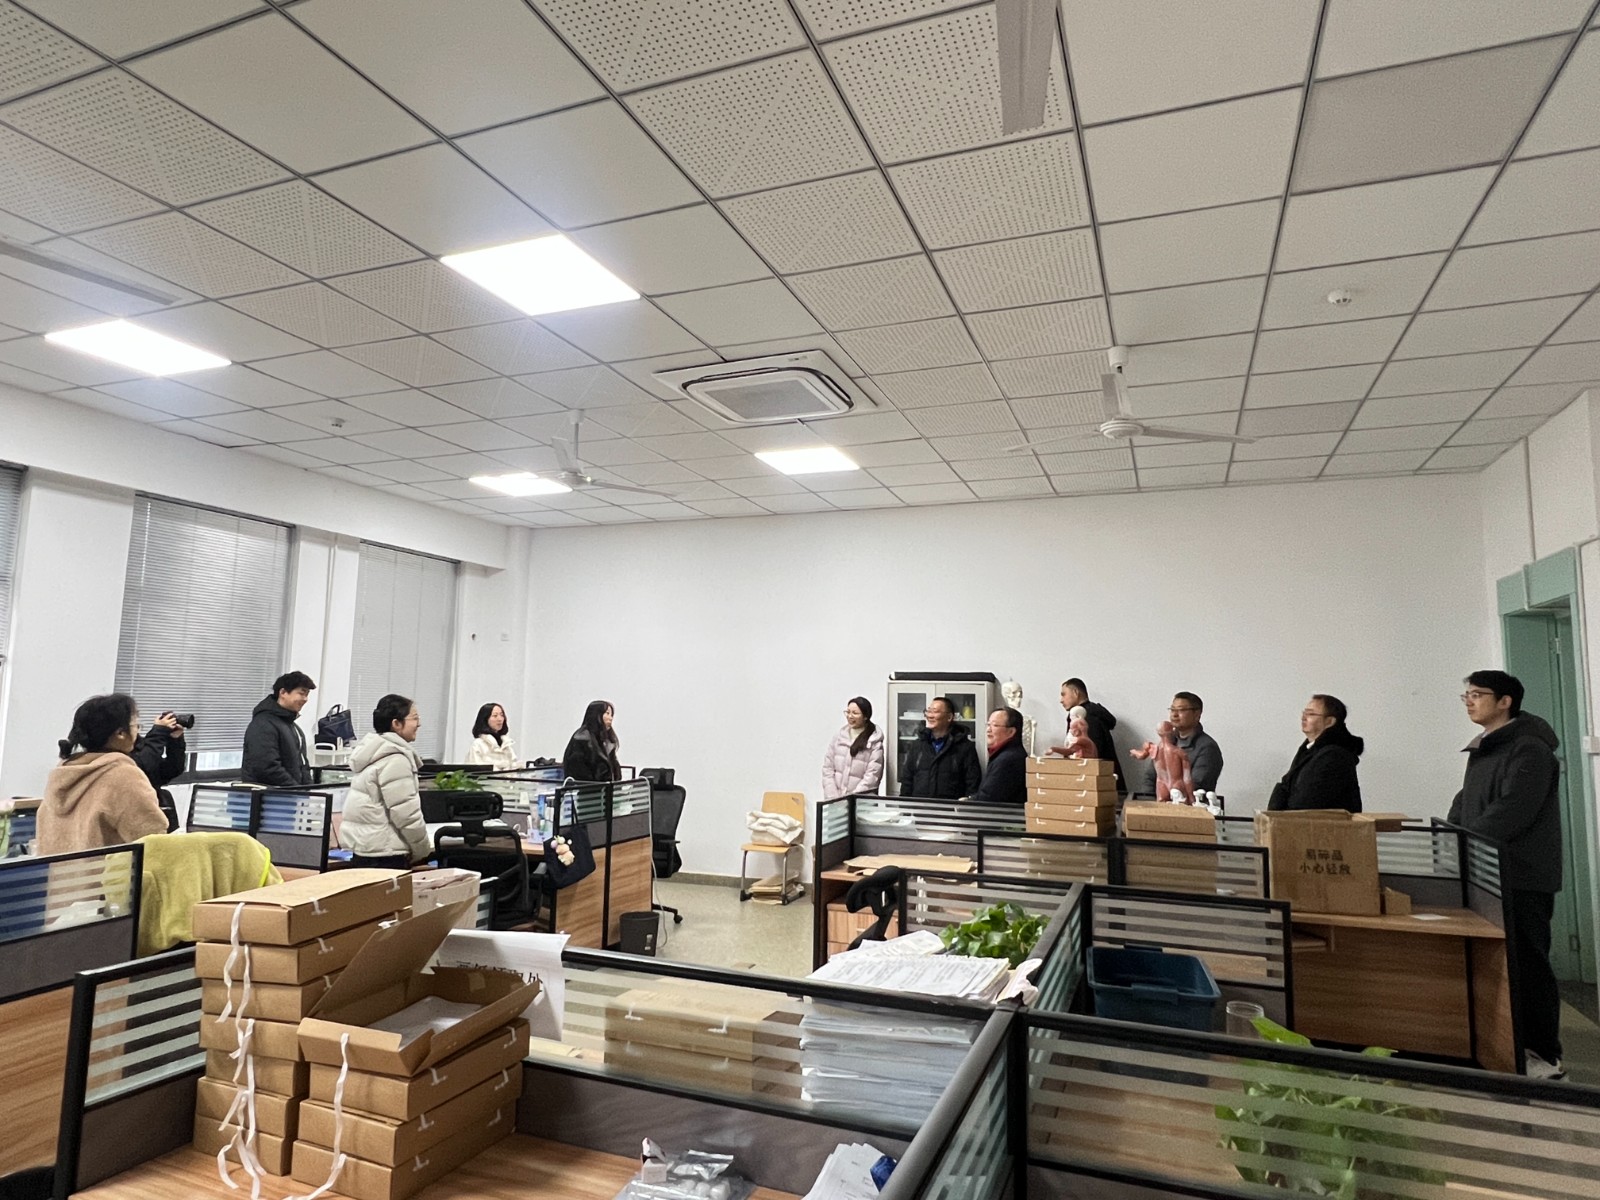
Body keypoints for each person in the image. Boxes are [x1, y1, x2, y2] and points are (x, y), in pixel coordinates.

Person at [1448, 670, 1564, 1080]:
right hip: (1486, 871)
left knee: (1528, 965)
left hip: (1522, 875)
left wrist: (1466, 839)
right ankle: (1504, 1048)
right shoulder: (1486, 745)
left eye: (1477, 694)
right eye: (1466, 694)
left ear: (1505, 702)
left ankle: (1545, 1055)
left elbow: (1514, 809)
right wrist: (1451, 831)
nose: (1469, 700)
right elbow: (1466, 799)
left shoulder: (1530, 748)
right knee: (1498, 965)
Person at [38, 694, 170, 854]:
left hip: (62, 871)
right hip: (109, 871)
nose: (137, 732)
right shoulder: (123, 775)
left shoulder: (62, 774)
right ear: (120, 733)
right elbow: (152, 840)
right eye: (136, 726)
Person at [341, 693, 431, 869]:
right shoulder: (395, 759)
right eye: (414, 718)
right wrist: (422, 849)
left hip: (367, 850)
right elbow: (406, 814)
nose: (419, 724)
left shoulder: (373, 752)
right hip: (386, 854)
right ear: (396, 723)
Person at [1267, 695, 1364, 812]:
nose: (1304, 718)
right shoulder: (1309, 750)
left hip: (1322, 823)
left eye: (1311, 714)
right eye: (1304, 713)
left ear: (1330, 721)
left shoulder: (1334, 755)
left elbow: (1306, 801)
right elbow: (1286, 787)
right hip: (1296, 820)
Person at [242, 671, 315, 787]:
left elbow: (303, 765)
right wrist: (295, 789)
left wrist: (309, 790)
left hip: (291, 794)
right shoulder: (263, 724)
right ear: (283, 692)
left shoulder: (294, 727)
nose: (305, 699)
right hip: (270, 795)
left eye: (307, 695)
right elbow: (266, 767)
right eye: (301, 693)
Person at [900, 696, 981, 799]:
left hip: (951, 807)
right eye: (928, 711)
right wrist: (904, 804)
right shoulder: (918, 745)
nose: (930, 715)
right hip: (920, 806)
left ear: (949, 717)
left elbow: (972, 784)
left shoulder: (965, 747)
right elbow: (907, 780)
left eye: (935, 712)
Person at [1055, 679, 1122, 789]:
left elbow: (1090, 758)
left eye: (1064, 694)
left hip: (1098, 785)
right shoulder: (1092, 715)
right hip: (1103, 781)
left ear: (1075, 693)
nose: (1061, 700)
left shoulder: (1087, 719)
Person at [131, 711, 187, 832]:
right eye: (134, 726)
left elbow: (171, 771)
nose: (137, 730)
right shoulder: (111, 756)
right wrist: (159, 732)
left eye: (138, 726)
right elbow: (142, 767)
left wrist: (175, 741)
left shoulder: (141, 745)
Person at [822, 696, 886, 799]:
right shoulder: (839, 737)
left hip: (861, 802)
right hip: (835, 801)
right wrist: (833, 797)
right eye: (848, 712)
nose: (850, 716)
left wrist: (851, 800)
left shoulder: (874, 741)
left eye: (855, 713)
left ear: (865, 716)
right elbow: (828, 769)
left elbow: (872, 775)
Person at [1167, 691, 1223, 793]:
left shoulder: (1207, 747)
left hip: (1189, 801)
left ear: (1197, 714)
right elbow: (1150, 778)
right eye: (1172, 710)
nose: (1174, 715)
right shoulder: (1168, 741)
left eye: (1181, 710)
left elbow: (1196, 784)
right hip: (1160, 800)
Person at [1130, 720, 1196, 804]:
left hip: (1162, 784)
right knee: (1180, 809)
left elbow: (1141, 755)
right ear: (1172, 732)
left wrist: (1134, 752)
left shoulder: (1153, 749)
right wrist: (1192, 798)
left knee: (1162, 808)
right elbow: (1187, 779)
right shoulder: (1180, 753)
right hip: (1177, 785)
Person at [974, 707, 1027, 804]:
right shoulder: (1004, 755)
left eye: (995, 725)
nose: (988, 730)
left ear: (1011, 732)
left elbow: (989, 798)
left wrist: (969, 801)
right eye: (988, 725)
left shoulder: (1009, 760)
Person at [563, 700, 621, 782]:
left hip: (606, 787)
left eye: (611, 715)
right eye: (607, 713)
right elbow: (579, 772)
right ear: (597, 715)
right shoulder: (582, 739)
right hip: (589, 788)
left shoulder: (606, 741)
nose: (610, 718)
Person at [467, 702, 520, 772]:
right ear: (485, 719)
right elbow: (475, 770)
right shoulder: (478, 744)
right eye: (495, 716)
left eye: (502, 715)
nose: (500, 719)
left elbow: (514, 767)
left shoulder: (506, 744)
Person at [999, 680, 1037, 755]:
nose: (1019, 698)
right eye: (1014, 694)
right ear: (1006, 696)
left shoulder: (1027, 719)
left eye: (1020, 694)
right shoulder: (1001, 719)